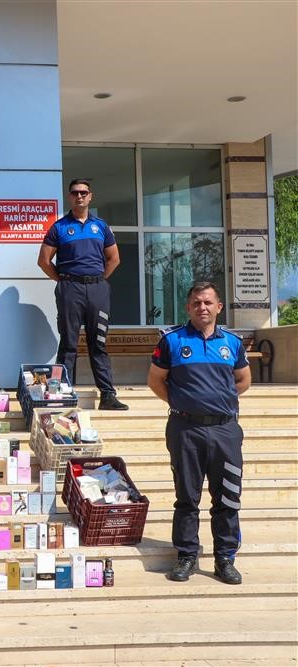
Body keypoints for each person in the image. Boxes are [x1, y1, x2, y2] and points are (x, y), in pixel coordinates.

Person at [147, 282, 250, 585]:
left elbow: (243, 380)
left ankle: (225, 558)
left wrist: (220, 403)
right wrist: (182, 404)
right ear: (188, 307)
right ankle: (187, 556)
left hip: (225, 430)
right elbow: (156, 381)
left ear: (219, 307)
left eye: (207, 302)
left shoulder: (232, 342)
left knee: (228, 498)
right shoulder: (172, 340)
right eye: (195, 303)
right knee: (186, 497)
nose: (201, 307)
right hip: (185, 429)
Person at [38, 179, 128, 410]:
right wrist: (63, 280)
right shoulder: (59, 227)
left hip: (97, 289)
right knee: (68, 343)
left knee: (98, 343)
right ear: (70, 197)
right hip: (70, 288)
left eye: (84, 193)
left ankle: (108, 396)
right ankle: (62, 394)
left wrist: (98, 280)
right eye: (75, 193)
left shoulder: (101, 226)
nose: (79, 196)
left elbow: (114, 259)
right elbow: (44, 261)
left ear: (90, 196)